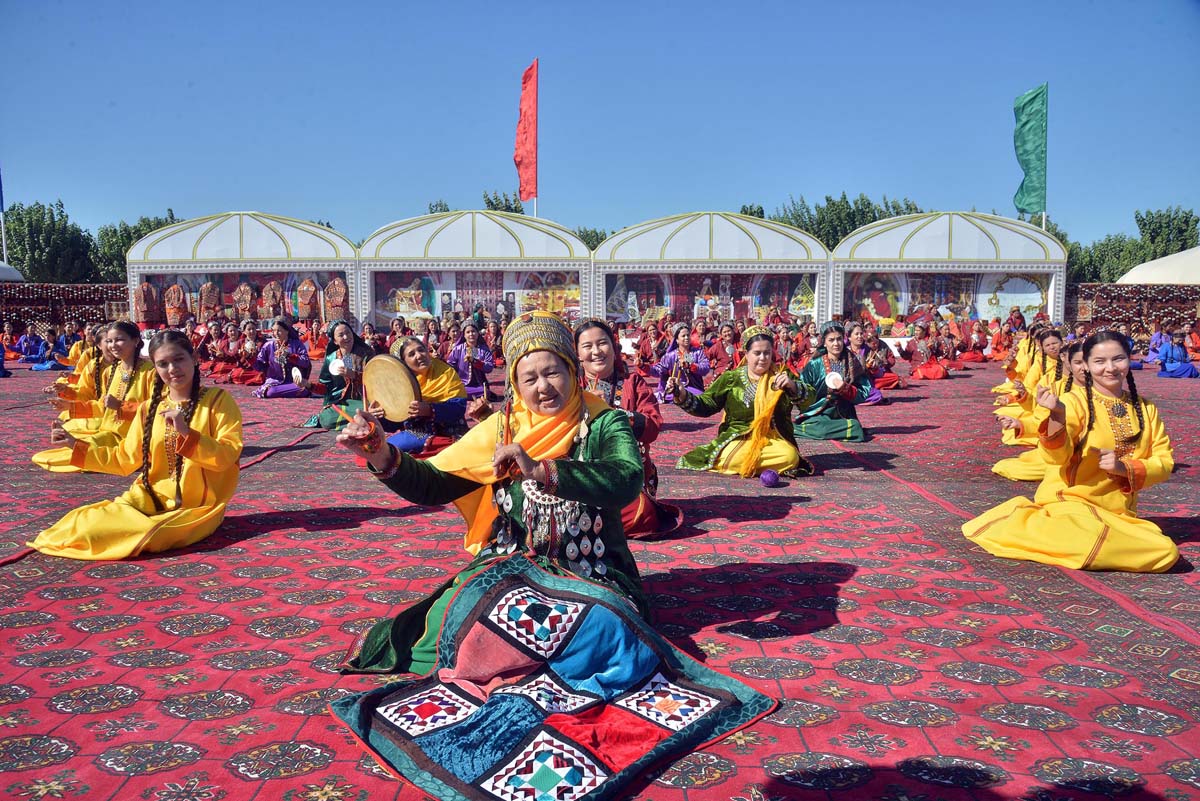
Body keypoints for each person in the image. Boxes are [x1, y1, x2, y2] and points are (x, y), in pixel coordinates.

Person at [330, 311, 771, 801]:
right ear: (515, 382)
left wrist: (541, 470)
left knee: (600, 634)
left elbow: (625, 477)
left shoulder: (605, 422)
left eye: (553, 372)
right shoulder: (501, 427)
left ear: (571, 369)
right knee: (456, 624)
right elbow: (434, 483)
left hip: (594, 574)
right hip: (512, 567)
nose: (543, 387)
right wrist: (378, 452)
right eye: (529, 377)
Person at [964, 332, 1177, 572]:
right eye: (1099, 361)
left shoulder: (1145, 409)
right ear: (1085, 365)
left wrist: (1123, 468)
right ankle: (1023, 524)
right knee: (1158, 551)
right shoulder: (1073, 401)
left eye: (1118, 359)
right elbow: (1055, 458)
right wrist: (1056, 415)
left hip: (1117, 511)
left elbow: (1164, 462)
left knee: (1163, 553)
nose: (1110, 368)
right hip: (1071, 503)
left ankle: (1088, 537)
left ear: (1129, 360)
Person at [28, 331, 242, 560]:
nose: (172, 369)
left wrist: (186, 432)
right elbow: (123, 459)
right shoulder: (149, 408)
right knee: (78, 527)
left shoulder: (218, 401)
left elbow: (227, 456)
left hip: (196, 506)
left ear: (194, 358)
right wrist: (75, 445)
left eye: (179, 359)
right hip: (148, 495)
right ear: (156, 368)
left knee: (134, 535)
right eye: (163, 364)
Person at [576, 318, 682, 537]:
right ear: (578, 354)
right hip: (580, 474)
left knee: (642, 516)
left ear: (613, 347)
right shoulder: (571, 387)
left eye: (602, 343)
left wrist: (614, 415)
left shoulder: (632, 383)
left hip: (624, 476)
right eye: (587, 346)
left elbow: (652, 426)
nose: (596, 351)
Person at [673, 325, 814, 478]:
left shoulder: (781, 375)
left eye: (767, 353)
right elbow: (706, 405)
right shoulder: (732, 378)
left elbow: (809, 402)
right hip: (739, 438)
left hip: (774, 439)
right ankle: (761, 466)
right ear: (746, 354)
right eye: (757, 353)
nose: (763, 358)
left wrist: (792, 386)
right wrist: (682, 394)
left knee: (789, 457)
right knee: (731, 458)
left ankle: (754, 465)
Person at [34, 321, 158, 473]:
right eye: (110, 341)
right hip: (109, 433)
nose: (113, 345)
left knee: (69, 457)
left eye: (119, 340)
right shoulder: (112, 371)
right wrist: (70, 405)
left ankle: (126, 458)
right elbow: (101, 406)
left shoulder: (150, 372)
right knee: (45, 457)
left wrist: (121, 406)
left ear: (136, 341)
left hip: (134, 436)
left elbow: (156, 409)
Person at [992, 341, 1085, 482]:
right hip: (1072, 453)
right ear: (1065, 358)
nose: (1085, 368)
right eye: (1078, 362)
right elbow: (1037, 410)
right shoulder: (1053, 384)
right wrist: (1020, 421)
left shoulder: (1124, 399)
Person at [379, 337, 468, 456]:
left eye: (421, 350)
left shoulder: (445, 372)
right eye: (411, 354)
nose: (419, 355)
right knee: (377, 450)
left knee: (389, 450)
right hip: (416, 434)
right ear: (403, 362)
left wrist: (430, 410)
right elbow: (396, 423)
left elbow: (459, 407)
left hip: (449, 433)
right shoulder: (399, 384)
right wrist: (380, 416)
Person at [796, 322, 873, 441]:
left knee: (855, 427)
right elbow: (803, 391)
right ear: (824, 343)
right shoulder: (814, 365)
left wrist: (844, 388)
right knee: (820, 427)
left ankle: (827, 430)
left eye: (839, 339)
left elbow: (862, 393)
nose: (836, 344)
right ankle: (793, 429)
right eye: (831, 340)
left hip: (844, 415)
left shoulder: (852, 362)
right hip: (819, 413)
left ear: (844, 340)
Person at [308, 320, 376, 429]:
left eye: (348, 333)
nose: (346, 337)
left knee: (371, 410)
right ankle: (363, 420)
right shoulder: (331, 358)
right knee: (327, 418)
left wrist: (355, 375)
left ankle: (361, 419)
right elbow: (325, 388)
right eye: (341, 335)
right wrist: (307, 385)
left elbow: (376, 380)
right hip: (340, 403)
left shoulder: (367, 354)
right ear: (335, 341)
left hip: (363, 400)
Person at [251, 318, 311, 398]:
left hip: (293, 382)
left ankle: (283, 391)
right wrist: (251, 358)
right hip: (274, 382)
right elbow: (260, 367)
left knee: (303, 389)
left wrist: (289, 356)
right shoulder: (268, 346)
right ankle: (282, 391)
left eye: (279, 330)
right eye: (274, 331)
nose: (276, 334)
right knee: (271, 392)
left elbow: (306, 362)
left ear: (287, 331)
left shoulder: (296, 344)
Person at [651, 322, 710, 402]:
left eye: (688, 335)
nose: (686, 338)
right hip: (675, 388)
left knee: (698, 398)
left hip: (693, 388)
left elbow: (705, 368)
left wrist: (691, 366)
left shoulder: (697, 353)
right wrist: (643, 366)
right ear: (677, 340)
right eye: (683, 336)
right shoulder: (670, 356)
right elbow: (659, 370)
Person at [446, 320, 496, 401]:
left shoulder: (483, 349)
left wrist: (475, 362)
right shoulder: (458, 349)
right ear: (464, 335)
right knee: (451, 390)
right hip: (461, 384)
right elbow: (450, 366)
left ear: (477, 333)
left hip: (478, 385)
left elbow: (489, 367)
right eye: (468, 332)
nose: (471, 334)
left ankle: (461, 395)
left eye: (473, 331)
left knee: (485, 392)